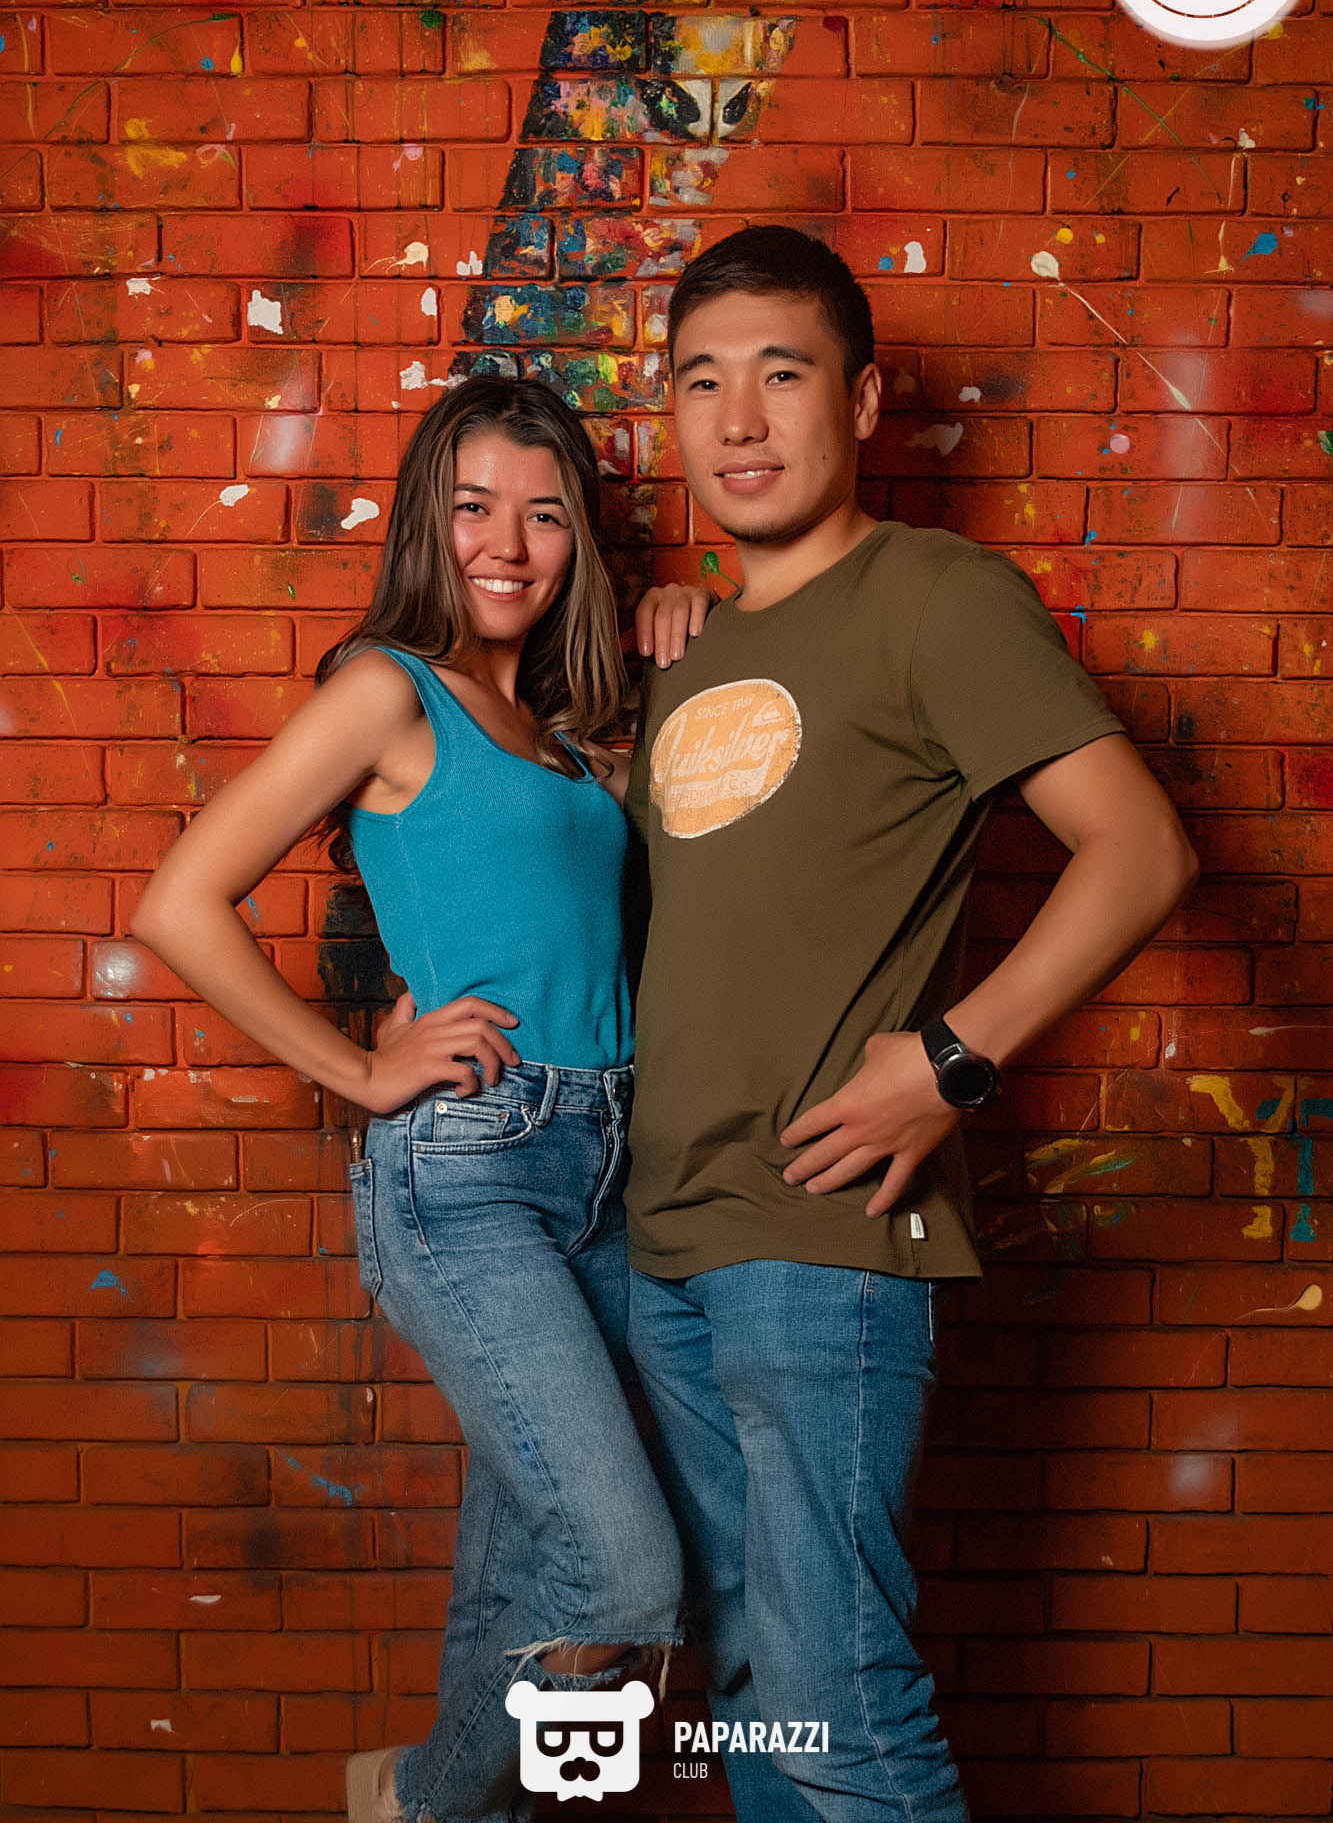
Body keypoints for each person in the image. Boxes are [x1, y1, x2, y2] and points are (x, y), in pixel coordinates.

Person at [622, 226, 1200, 1823]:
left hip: (821, 1236)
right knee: (753, 1695)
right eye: (701, 383)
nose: (739, 419)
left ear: (864, 401)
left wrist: (952, 1060)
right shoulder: (686, 647)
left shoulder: (936, 596)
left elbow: (1140, 849)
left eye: (781, 374)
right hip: (663, 1240)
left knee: (838, 1707)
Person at [131, 376, 697, 1823]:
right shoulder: (389, 691)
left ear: (579, 543)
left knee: (520, 1572)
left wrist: (697, 618)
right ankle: (423, 1799)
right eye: (472, 508)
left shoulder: (565, 733)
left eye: (546, 515)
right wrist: (365, 1068)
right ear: (425, 528)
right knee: (623, 1575)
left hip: (604, 1172)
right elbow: (180, 902)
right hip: (471, 1171)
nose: (507, 543)